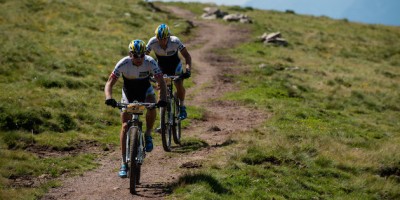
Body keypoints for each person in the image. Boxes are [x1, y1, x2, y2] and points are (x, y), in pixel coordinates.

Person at [104, 39, 167, 178]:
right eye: (135, 55)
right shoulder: (123, 63)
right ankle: (123, 162)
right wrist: (109, 97)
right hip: (128, 93)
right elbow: (109, 83)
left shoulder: (150, 62)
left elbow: (161, 81)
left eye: (141, 55)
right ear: (130, 54)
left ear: (145, 54)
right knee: (125, 126)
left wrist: (163, 99)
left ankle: (148, 134)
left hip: (145, 91)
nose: (139, 58)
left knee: (151, 107)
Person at [146, 24, 192, 120]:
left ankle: (182, 107)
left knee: (178, 84)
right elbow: (144, 58)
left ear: (168, 37)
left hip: (175, 66)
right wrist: (146, 72)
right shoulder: (152, 42)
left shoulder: (175, 41)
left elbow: (187, 56)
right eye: (159, 38)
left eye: (164, 38)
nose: (162, 41)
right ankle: (162, 122)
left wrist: (188, 70)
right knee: (161, 90)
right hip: (161, 67)